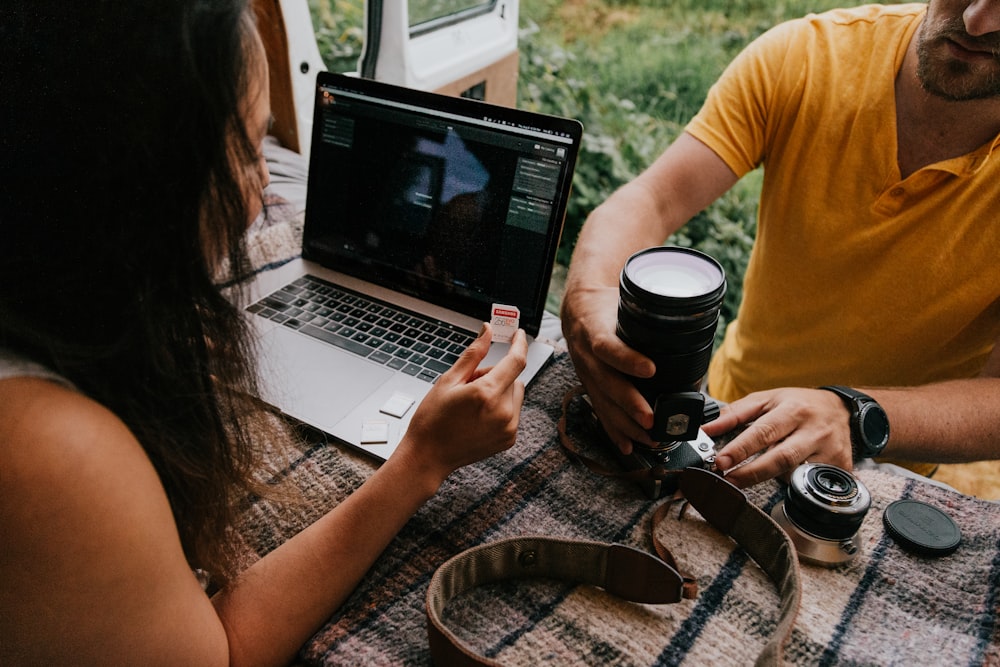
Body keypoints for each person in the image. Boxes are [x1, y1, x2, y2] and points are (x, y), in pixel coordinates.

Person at [0, 2, 527, 665]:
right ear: (139, 181)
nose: (262, 194)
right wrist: (421, 459)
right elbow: (223, 653)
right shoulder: (49, 449)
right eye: (251, 150)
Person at [561, 1, 1000, 489]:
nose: (977, 21)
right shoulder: (810, 54)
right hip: (726, 417)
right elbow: (654, 199)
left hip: (898, 462)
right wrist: (587, 294)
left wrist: (856, 414)